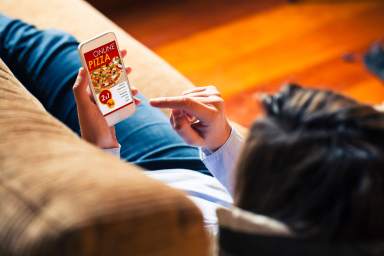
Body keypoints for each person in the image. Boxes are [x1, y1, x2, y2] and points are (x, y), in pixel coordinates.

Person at [1, 14, 384, 243]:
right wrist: (220, 142)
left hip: (135, 186)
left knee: (42, 55)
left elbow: (122, 233)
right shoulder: (351, 208)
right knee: (51, 53)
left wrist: (101, 148)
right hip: (187, 169)